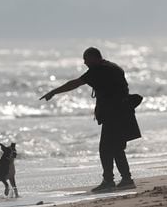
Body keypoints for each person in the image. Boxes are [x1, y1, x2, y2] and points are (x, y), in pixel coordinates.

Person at [40, 47, 141, 192]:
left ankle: (109, 181)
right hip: (123, 112)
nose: (84, 63)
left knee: (105, 149)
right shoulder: (113, 67)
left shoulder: (99, 70)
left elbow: (75, 83)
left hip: (114, 114)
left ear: (94, 58)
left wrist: (53, 91)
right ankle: (126, 179)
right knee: (117, 148)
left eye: (86, 59)